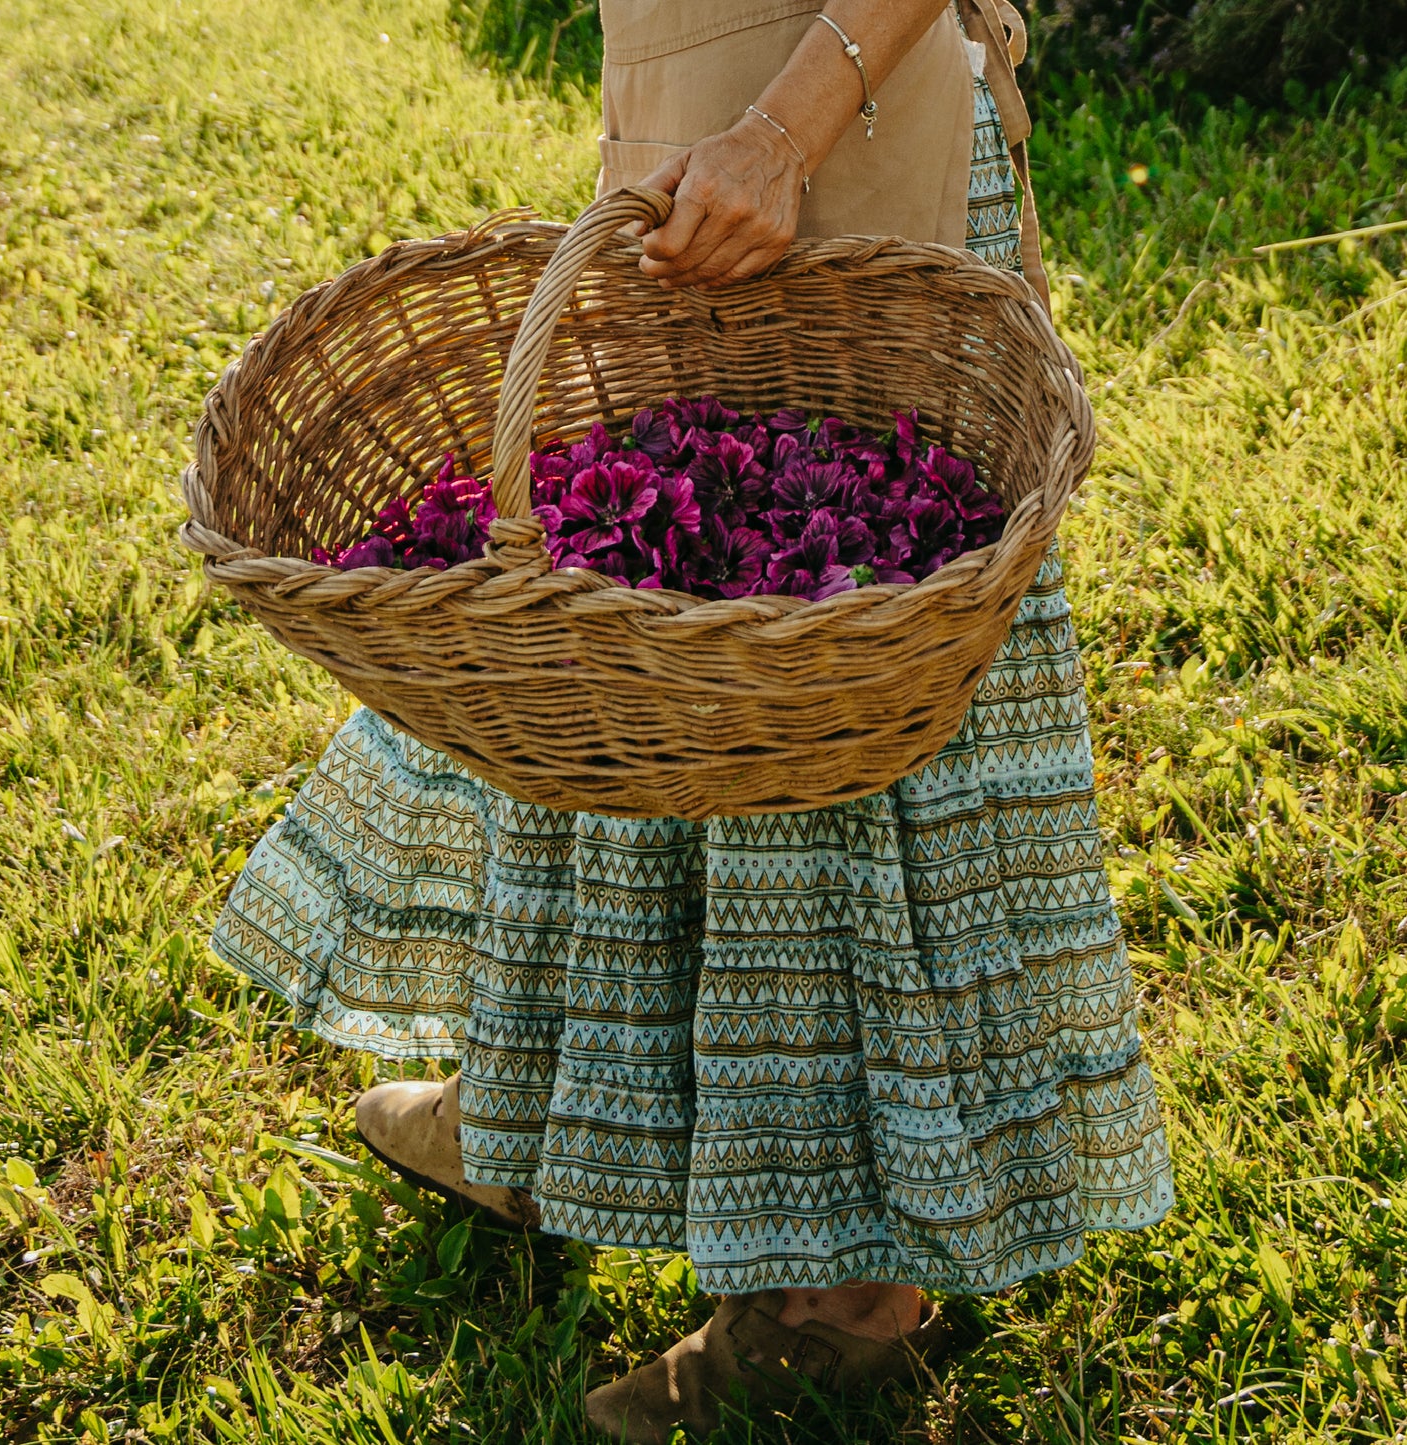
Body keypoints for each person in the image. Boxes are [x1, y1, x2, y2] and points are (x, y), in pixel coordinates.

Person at [211, 3, 1175, 1440]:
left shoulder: (792, 152)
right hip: (712, 138)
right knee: (620, 672)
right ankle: (542, 1108)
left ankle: (840, 1296)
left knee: (812, 724)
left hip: (830, 153)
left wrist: (780, 133)